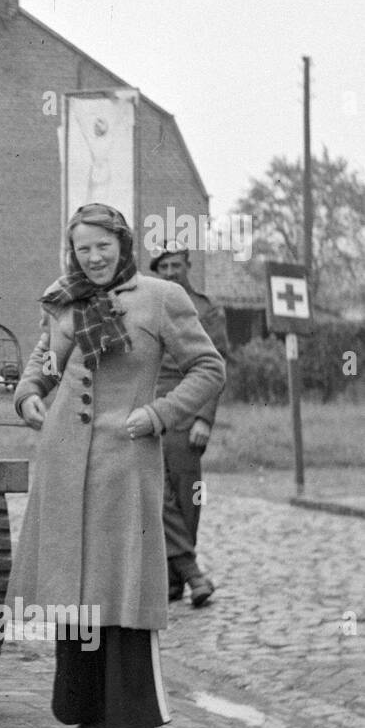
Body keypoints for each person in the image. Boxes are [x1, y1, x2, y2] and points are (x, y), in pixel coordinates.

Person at [9, 205, 225, 728]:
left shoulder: (160, 297)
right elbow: (43, 360)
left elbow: (208, 367)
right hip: (63, 462)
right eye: (83, 249)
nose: (94, 257)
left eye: (103, 246)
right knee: (76, 590)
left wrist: (158, 414)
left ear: (123, 243)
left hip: (125, 463)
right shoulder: (65, 297)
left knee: (126, 590)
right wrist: (29, 391)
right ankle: (91, 717)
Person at [150, 244, 230, 606]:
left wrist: (204, 418)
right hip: (150, 406)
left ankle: (175, 576)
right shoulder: (149, 303)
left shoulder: (207, 310)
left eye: (176, 265)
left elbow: (217, 366)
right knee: (157, 491)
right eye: (163, 266)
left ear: (187, 266)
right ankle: (189, 573)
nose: (170, 272)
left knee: (186, 496)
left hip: (189, 407)